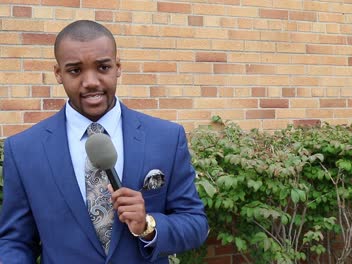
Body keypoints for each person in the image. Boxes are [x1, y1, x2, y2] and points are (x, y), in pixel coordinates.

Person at [0, 20, 209, 263]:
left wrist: (148, 225)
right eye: (75, 70)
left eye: (102, 67)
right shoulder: (24, 149)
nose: (90, 81)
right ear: (58, 73)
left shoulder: (165, 138)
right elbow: (14, 241)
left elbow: (195, 224)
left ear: (117, 67)